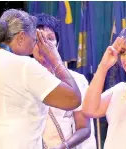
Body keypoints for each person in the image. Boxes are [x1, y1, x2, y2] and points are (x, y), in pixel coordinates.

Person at [0, 9, 82, 149]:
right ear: (21, 37)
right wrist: (56, 60)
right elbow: (73, 99)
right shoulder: (25, 66)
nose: (36, 45)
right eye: (35, 39)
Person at [32, 13, 97, 149]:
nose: (44, 45)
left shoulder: (77, 80)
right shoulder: (24, 78)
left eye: (50, 39)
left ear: (58, 44)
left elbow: (84, 128)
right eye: (38, 40)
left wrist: (63, 146)